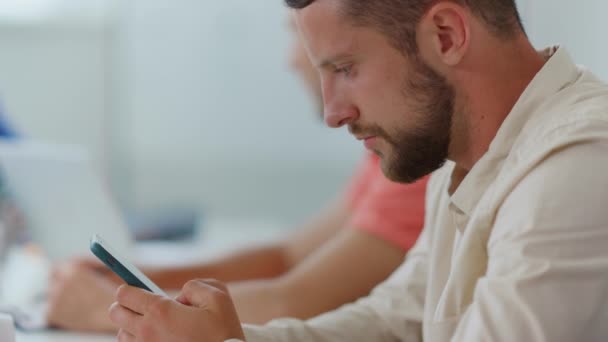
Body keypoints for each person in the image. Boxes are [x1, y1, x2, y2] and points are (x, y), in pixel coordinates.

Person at [107, 0, 608, 341]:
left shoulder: (578, 163)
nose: (332, 113)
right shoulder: (464, 158)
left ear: (446, 34)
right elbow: (394, 323)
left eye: (345, 69)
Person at [45, 11, 429, 333]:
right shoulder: (387, 155)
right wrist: (139, 279)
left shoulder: (418, 162)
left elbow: (295, 300)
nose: (293, 60)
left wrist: (106, 310)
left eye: (344, 66)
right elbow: (288, 256)